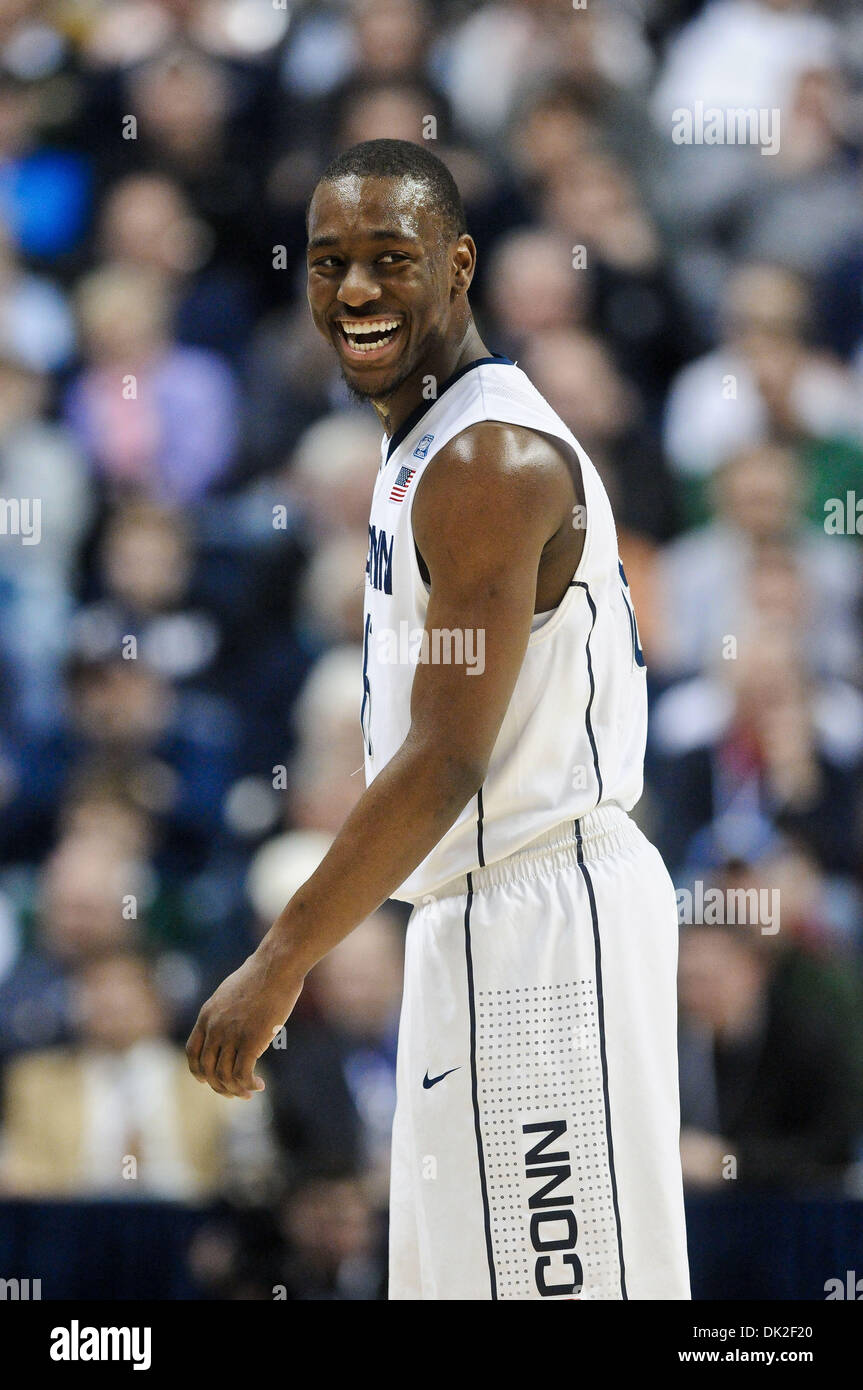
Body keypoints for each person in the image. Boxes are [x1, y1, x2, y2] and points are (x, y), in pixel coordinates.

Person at [187, 139, 690, 1302]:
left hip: (545, 919)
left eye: (388, 260)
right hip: (469, 914)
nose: (353, 290)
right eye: (327, 263)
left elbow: (447, 755)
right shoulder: (423, 436)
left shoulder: (488, 456)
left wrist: (280, 958)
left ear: (458, 267)